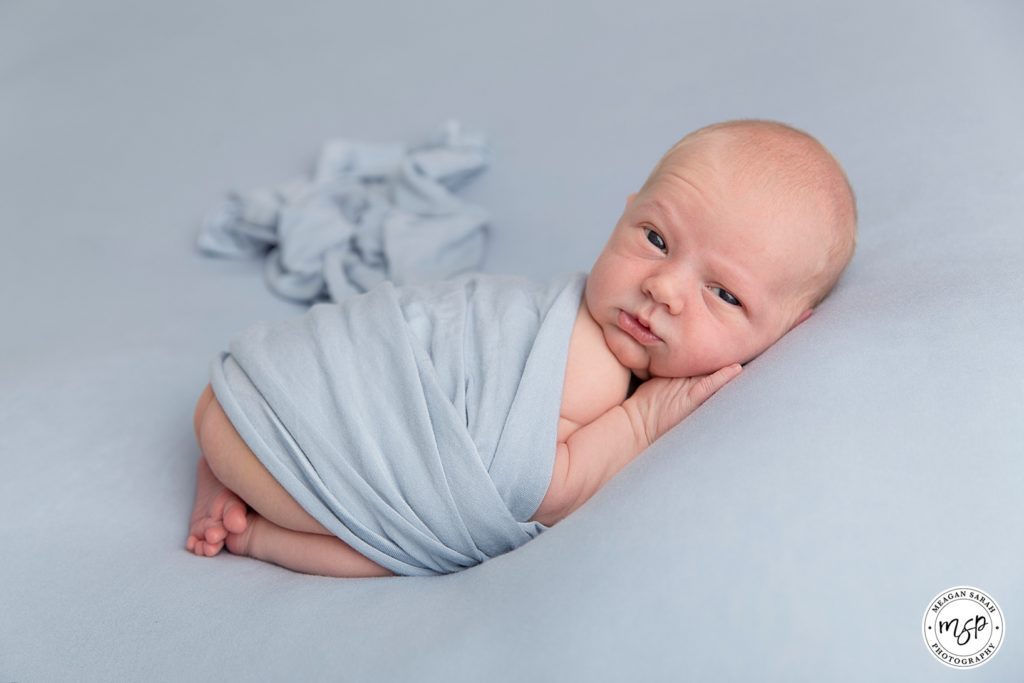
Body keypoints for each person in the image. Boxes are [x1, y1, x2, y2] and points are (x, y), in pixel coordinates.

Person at [186, 119, 857, 578]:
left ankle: (223, 462)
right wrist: (645, 417)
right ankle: (260, 534)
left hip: (248, 386)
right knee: (420, 552)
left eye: (724, 294)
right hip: (281, 423)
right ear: (626, 210)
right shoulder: (586, 361)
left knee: (418, 527)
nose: (664, 289)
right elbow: (536, 492)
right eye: (654, 238)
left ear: (788, 329)